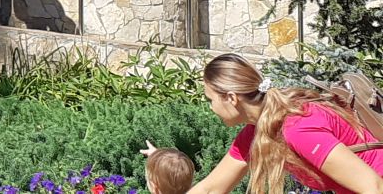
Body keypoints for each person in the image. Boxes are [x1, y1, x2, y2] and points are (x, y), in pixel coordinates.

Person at [143, 53, 383, 194]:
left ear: (231, 98)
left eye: (210, 99)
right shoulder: (257, 132)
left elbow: (373, 187)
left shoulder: (298, 128)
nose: (210, 108)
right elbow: (211, 189)